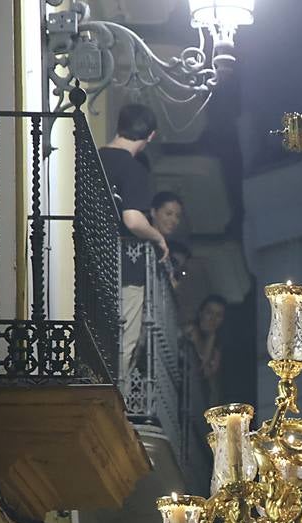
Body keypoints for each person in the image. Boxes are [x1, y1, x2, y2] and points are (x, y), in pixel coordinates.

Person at [98, 103, 169, 377]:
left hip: (92, 260)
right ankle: (115, 402)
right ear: (150, 136)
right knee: (123, 344)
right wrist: (158, 236)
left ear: (119, 125)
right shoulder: (134, 169)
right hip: (125, 269)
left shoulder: (94, 158)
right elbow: (132, 220)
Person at [184, 295, 226, 404]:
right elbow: (201, 367)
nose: (213, 319)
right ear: (201, 313)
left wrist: (211, 337)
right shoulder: (189, 332)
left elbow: (208, 373)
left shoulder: (217, 348)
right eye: (209, 312)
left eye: (218, 315)